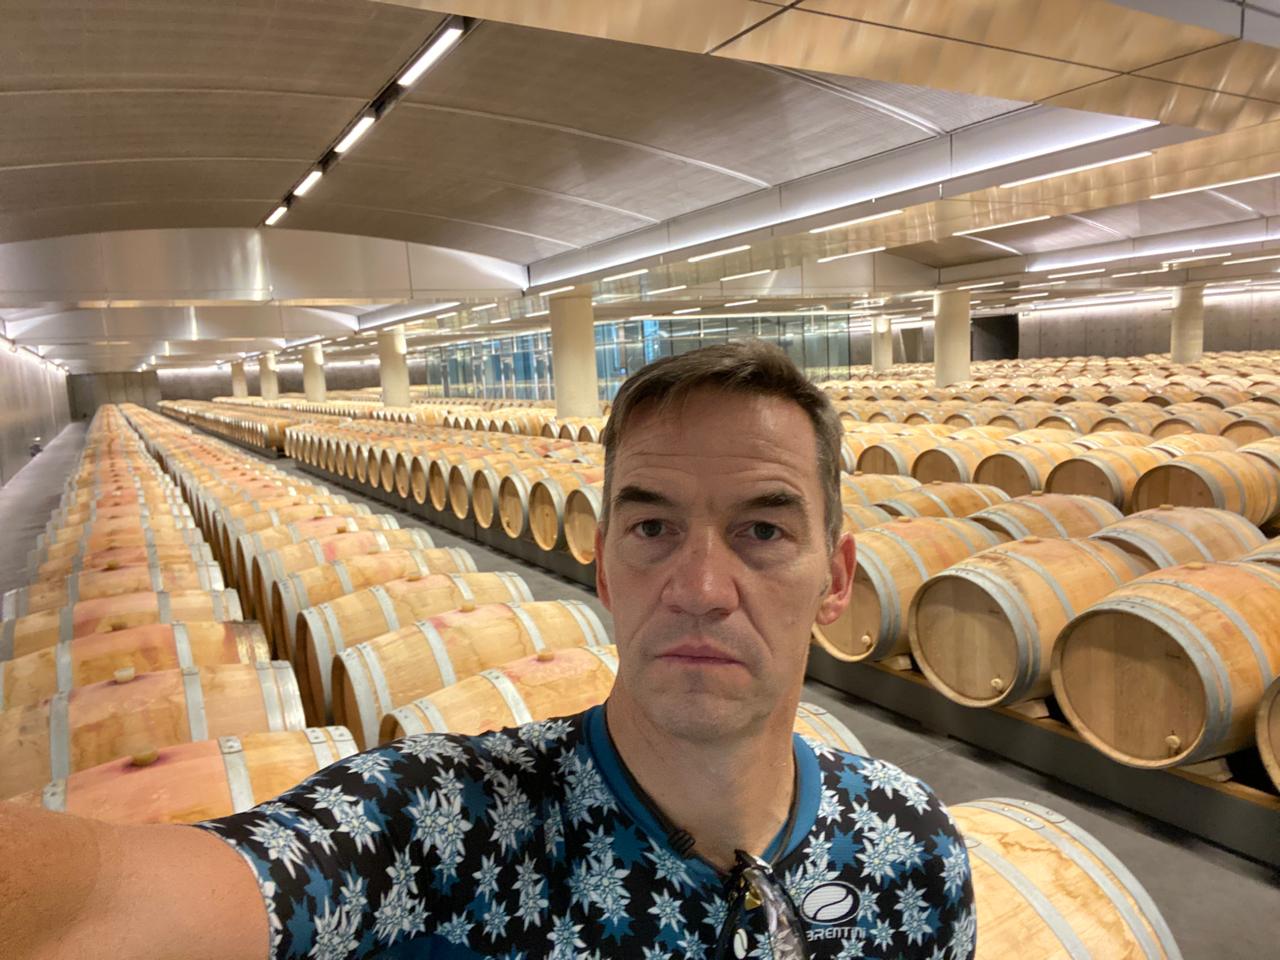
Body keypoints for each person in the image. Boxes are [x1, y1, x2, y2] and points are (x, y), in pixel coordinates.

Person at [0, 340, 975, 959]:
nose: (700, 588)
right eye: (651, 529)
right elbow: (121, 902)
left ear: (837, 578)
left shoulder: (912, 853)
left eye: (761, 531)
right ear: (600, 567)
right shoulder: (437, 825)